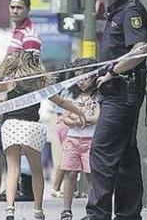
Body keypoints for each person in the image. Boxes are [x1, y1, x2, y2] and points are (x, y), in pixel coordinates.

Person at [84, 0, 147, 220]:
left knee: (101, 151)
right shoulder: (116, 11)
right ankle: (128, 214)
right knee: (125, 157)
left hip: (122, 94)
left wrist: (112, 71)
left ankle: (97, 214)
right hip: (116, 93)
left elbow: (140, 50)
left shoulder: (131, 12)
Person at [0, 50, 85, 220]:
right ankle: (38, 210)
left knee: (12, 169)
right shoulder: (40, 84)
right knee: (36, 170)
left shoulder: (11, 82)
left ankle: (10, 209)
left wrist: (0, 73)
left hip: (11, 126)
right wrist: (78, 111)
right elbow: (60, 101)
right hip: (32, 127)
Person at [0, 0, 41, 204]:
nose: (14, 11)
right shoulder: (16, 33)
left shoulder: (29, 35)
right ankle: (14, 189)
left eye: (19, 7)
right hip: (12, 96)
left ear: (28, 10)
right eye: (12, 7)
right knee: (11, 148)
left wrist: (7, 95)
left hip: (24, 98)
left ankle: (26, 191)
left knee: (24, 149)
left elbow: (30, 72)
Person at [59, 64, 100, 220]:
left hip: (91, 140)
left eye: (85, 77)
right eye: (78, 77)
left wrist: (79, 118)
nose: (81, 81)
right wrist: (78, 120)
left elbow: (97, 117)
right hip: (72, 140)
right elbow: (66, 119)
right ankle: (66, 210)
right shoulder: (71, 96)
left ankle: (93, 211)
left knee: (92, 176)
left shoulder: (98, 96)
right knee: (69, 174)